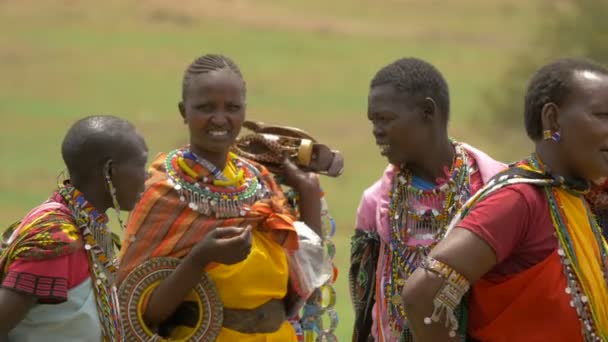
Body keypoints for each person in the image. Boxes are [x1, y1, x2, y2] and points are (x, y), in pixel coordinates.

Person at [117, 54, 323, 341]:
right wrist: (200, 258)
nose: (220, 118)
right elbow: (140, 311)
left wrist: (309, 195)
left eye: (232, 108)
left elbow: (306, 278)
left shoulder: (261, 181)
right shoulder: (164, 191)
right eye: (205, 107)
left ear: (244, 112)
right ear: (183, 111)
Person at [401, 58, 608, 341]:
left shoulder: (575, 199)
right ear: (553, 119)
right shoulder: (518, 200)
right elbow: (423, 294)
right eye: (603, 115)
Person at [349, 57, 505, 342]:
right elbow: (365, 306)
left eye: (385, 119)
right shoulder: (376, 202)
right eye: (373, 121)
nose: (376, 130)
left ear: (427, 112)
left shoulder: (494, 190)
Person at [0, 115, 148, 341]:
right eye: (141, 164)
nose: (146, 176)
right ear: (109, 171)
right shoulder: (55, 239)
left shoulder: (85, 225)